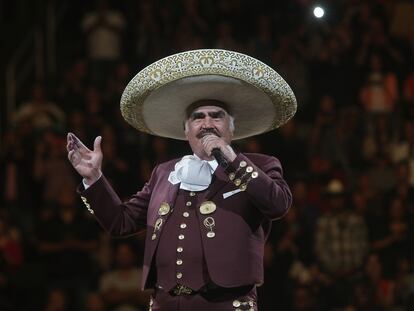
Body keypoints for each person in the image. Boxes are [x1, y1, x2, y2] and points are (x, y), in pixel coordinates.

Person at [67, 49, 297, 310]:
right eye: (198, 117)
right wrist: (94, 179)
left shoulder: (261, 165)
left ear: (232, 128)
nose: (207, 123)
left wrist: (232, 160)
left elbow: (279, 205)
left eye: (216, 115)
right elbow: (121, 222)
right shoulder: (164, 172)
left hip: (224, 304)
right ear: (185, 130)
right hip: (166, 303)